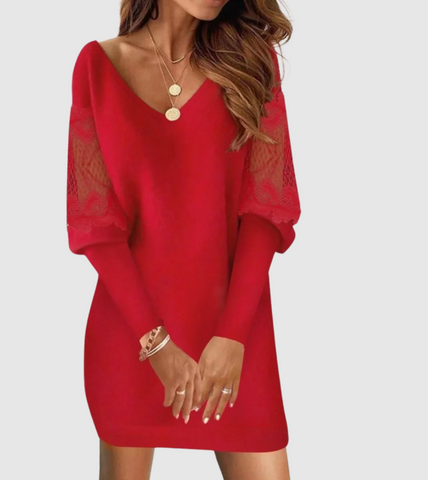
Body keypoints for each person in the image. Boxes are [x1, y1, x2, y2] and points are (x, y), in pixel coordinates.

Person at [65, 0, 301, 478]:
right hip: (133, 340)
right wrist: (155, 344)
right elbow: (96, 225)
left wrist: (233, 334)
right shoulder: (97, 66)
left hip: (235, 344)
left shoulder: (251, 61)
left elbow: (266, 210)